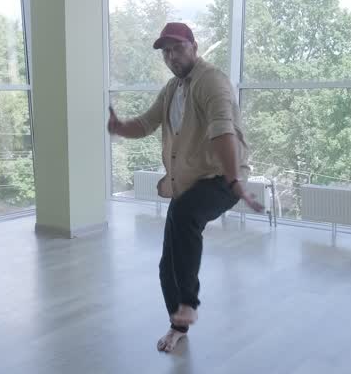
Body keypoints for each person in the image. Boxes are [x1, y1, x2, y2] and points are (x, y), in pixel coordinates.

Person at [107, 22, 263, 353]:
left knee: (187, 215)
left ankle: (189, 303)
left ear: (194, 46)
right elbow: (147, 123)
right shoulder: (172, 89)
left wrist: (235, 181)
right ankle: (179, 324)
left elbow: (223, 130)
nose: (171, 56)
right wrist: (120, 127)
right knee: (168, 266)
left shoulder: (212, 81)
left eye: (178, 48)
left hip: (222, 177)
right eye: (166, 51)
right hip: (190, 181)